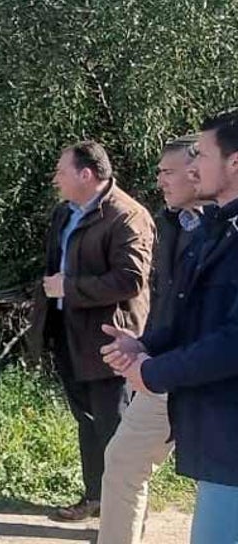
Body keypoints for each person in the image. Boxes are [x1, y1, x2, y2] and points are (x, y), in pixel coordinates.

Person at [103, 111, 238, 543]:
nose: (193, 167)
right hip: (215, 427)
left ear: (235, 163)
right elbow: (188, 315)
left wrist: (153, 371)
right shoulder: (215, 230)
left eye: (202, 155)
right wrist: (144, 346)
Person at [29, 141, 154, 523]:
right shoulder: (64, 212)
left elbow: (130, 280)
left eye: (61, 172)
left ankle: (127, 518)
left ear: (86, 174)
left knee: (116, 429)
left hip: (110, 341)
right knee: (88, 421)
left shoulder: (126, 216)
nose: (56, 179)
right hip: (69, 335)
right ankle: (96, 499)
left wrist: (70, 288)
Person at [97, 136, 205, 544]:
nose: (159, 179)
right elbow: (174, 306)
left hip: (214, 378)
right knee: (123, 459)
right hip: (164, 373)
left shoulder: (226, 232)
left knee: (217, 486)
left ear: (200, 172)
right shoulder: (172, 222)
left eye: (168, 171)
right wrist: (145, 346)